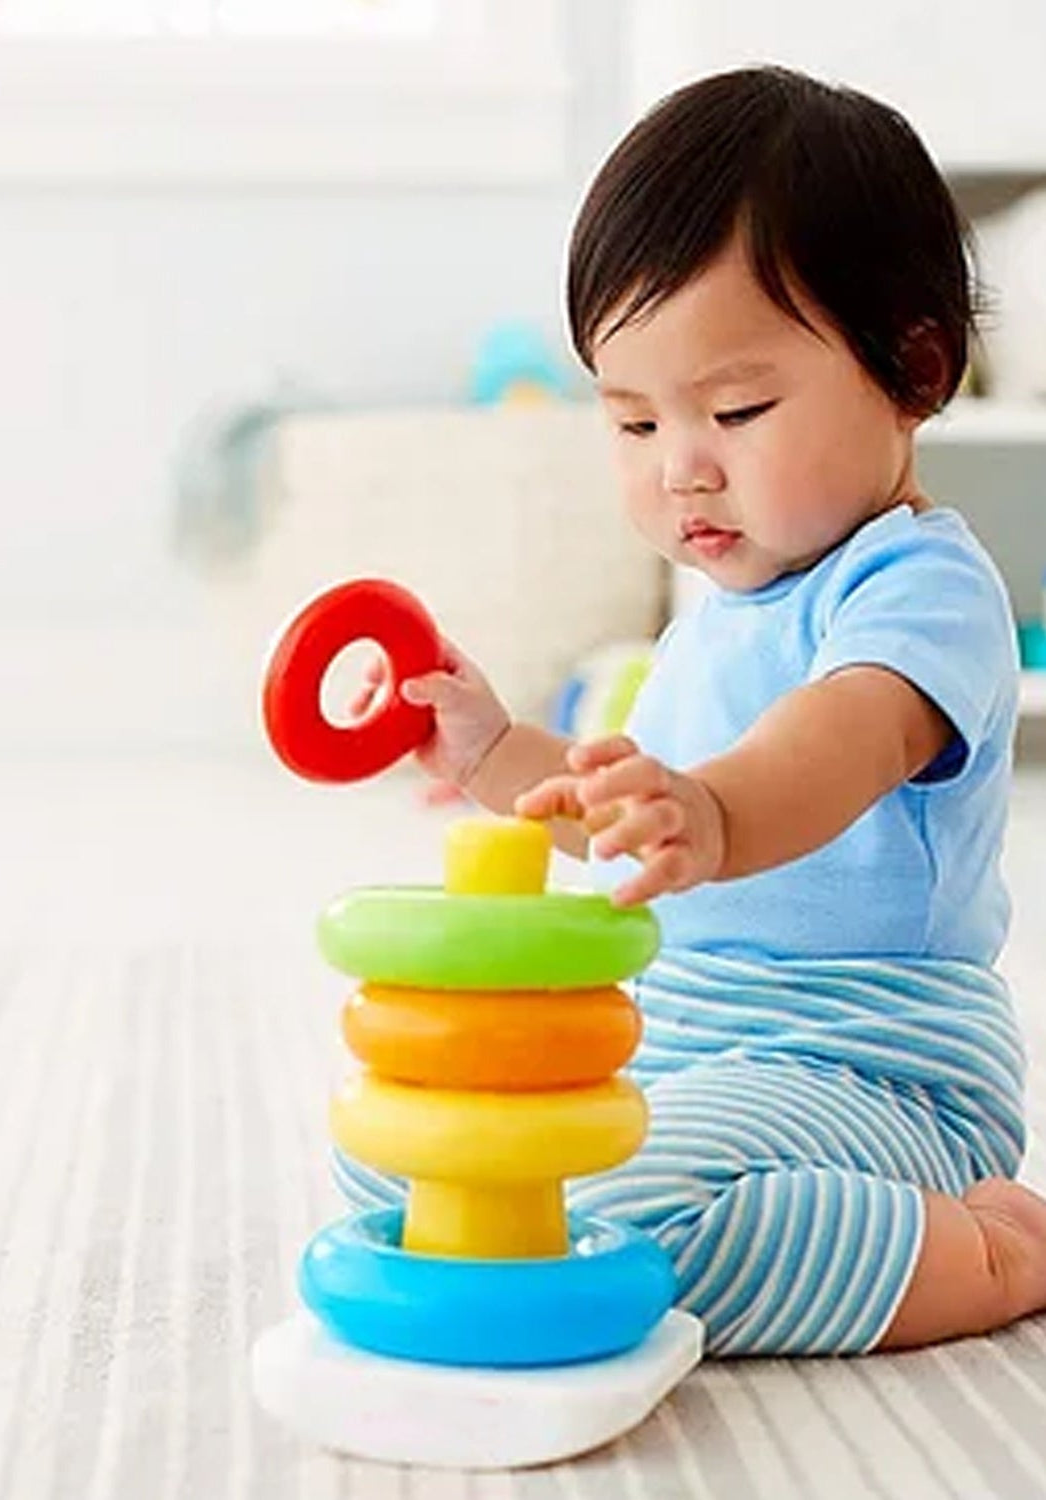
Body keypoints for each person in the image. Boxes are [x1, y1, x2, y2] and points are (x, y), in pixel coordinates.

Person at [339, 65, 1046, 1357]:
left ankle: (990, 1251)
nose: (682, 466)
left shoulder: (920, 588)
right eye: (630, 419)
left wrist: (710, 811)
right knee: (412, 1163)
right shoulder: (719, 602)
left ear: (914, 367)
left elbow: (831, 746)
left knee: (644, 1222)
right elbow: (633, 814)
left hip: (871, 1069)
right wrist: (498, 753)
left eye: (735, 410)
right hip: (680, 1046)